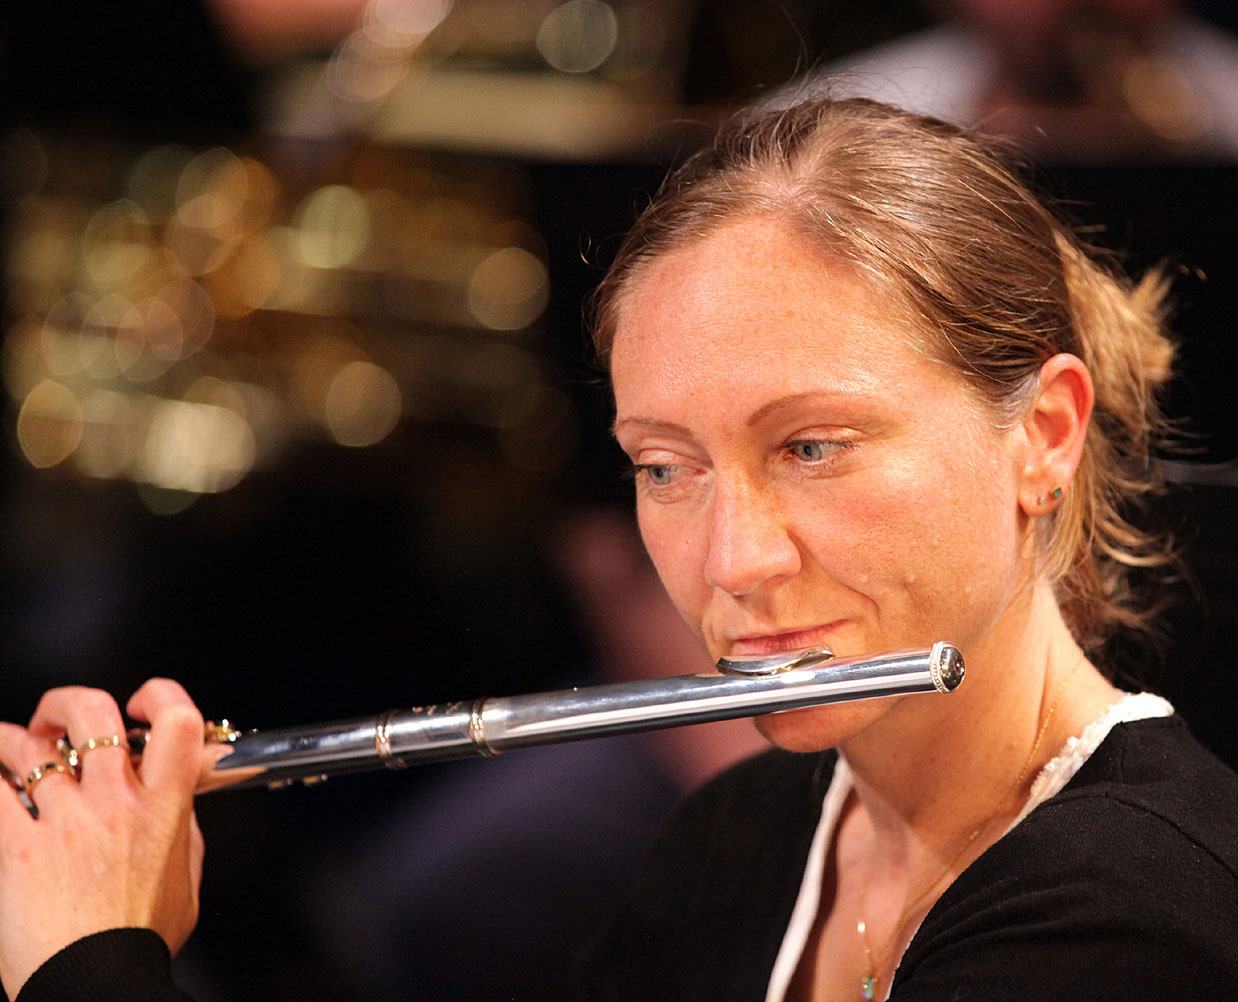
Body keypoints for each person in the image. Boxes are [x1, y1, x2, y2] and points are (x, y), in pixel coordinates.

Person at [2, 96, 1237, 1001]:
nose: (732, 561)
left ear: (1044, 435)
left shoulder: (1137, 920)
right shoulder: (744, 838)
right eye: (664, 467)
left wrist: (87, 963)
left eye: (811, 446)